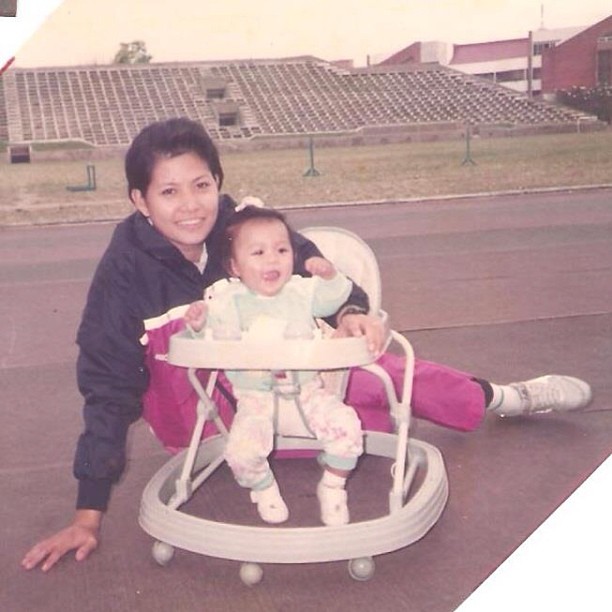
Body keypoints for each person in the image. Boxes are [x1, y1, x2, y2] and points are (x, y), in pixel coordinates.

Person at [21, 117, 592, 572]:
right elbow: (107, 383)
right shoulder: (123, 274)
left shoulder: (248, 228)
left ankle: (501, 396)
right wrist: (88, 515)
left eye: (202, 185)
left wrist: (350, 316)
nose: (191, 205)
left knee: (381, 379)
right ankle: (441, 407)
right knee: (371, 426)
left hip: (293, 386)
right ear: (140, 201)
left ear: (219, 184)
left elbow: (325, 277)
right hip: (209, 420)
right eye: (169, 191)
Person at [184, 205, 365, 526]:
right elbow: (210, 344)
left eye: (281, 250)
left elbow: (334, 298)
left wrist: (329, 276)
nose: (272, 259)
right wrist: (198, 326)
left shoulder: (301, 291)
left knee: (347, 427)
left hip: (309, 392)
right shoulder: (228, 301)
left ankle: (333, 485)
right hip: (256, 400)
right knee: (240, 452)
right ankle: (263, 487)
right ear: (235, 267)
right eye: (258, 252)